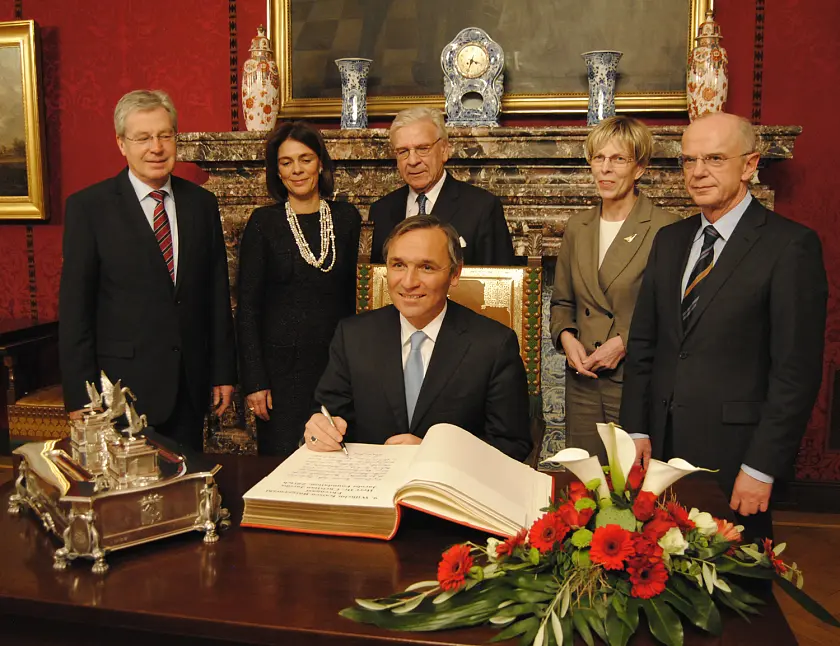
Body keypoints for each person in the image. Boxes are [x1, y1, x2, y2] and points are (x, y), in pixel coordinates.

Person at [619, 112, 828, 542]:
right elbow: (645, 344)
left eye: (714, 158)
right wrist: (636, 429)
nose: (697, 173)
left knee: (734, 594)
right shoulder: (670, 241)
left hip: (736, 460)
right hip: (659, 450)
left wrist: (761, 466)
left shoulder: (790, 246)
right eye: (688, 160)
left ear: (749, 165)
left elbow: (796, 373)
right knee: (655, 584)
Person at [59, 89, 236, 451]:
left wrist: (222, 372)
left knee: (186, 494)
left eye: (165, 135)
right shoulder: (88, 208)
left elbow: (216, 294)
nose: (156, 147)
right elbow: (75, 309)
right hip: (119, 393)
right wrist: (81, 396)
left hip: (189, 384)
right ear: (122, 144)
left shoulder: (201, 203)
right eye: (142, 138)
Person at [305, 215, 531, 461]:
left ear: (454, 274)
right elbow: (326, 417)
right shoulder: (353, 336)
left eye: (426, 267)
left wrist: (434, 454)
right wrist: (318, 432)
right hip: (368, 487)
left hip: (450, 490)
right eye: (398, 265)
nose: (409, 282)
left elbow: (513, 445)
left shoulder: (493, 345)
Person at [549, 116, 679, 459]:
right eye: (598, 158)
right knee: (584, 485)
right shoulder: (578, 227)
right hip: (583, 380)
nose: (605, 169)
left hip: (635, 380)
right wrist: (567, 339)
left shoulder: (666, 228)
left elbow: (674, 313)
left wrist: (623, 342)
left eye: (618, 159)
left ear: (639, 168)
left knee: (634, 489)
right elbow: (561, 301)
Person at [237, 121, 361, 459]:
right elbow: (247, 307)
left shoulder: (347, 218)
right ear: (276, 171)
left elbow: (356, 299)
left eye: (305, 159)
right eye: (286, 162)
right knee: (281, 465)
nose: (297, 170)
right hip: (279, 377)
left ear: (320, 163)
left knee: (339, 460)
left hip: (338, 369)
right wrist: (255, 380)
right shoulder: (263, 223)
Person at [369, 107, 515, 265]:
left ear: (444, 150)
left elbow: (501, 282)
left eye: (423, 149)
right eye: (403, 151)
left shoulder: (482, 207)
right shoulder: (380, 211)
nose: (412, 161)